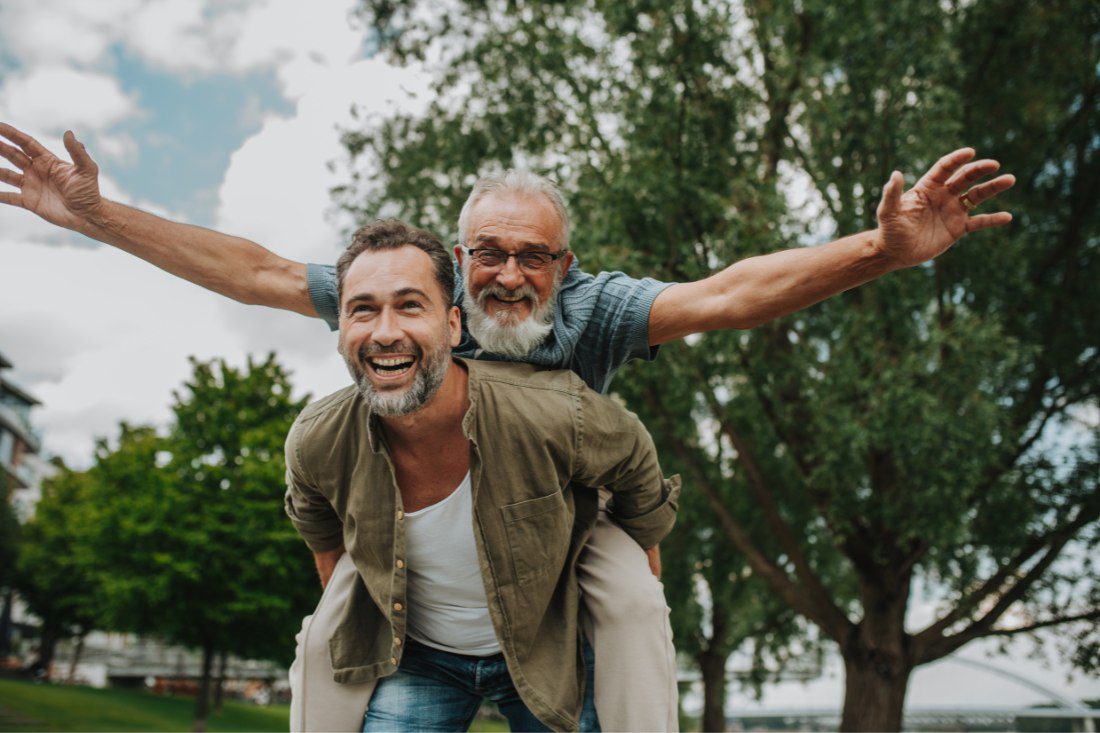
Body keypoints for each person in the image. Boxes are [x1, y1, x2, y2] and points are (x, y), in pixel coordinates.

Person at [0, 122, 1015, 731]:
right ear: (453, 264)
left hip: (569, 535)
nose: (508, 275)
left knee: (628, 592)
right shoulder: (405, 302)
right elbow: (256, 270)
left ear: (564, 265)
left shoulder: (594, 312)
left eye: (532, 255)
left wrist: (879, 252)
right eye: (487, 252)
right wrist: (97, 216)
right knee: (334, 614)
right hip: (426, 551)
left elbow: (730, 293)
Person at [284, 218, 679, 731]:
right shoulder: (317, 440)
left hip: (545, 650)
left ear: (452, 325)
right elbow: (321, 536)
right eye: (363, 310)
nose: (385, 333)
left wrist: (636, 581)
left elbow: (635, 462)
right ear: (340, 332)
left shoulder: (553, 411)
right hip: (420, 660)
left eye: (409, 305)